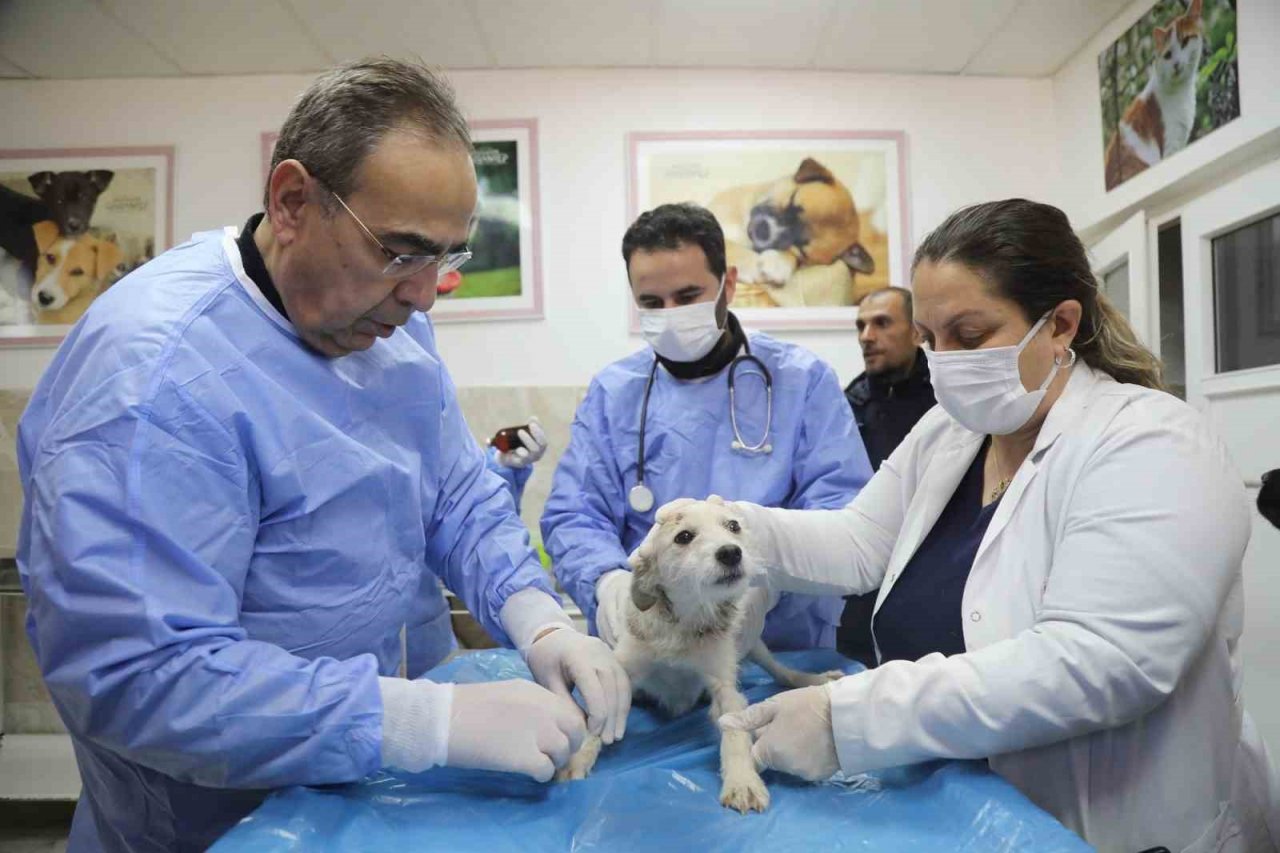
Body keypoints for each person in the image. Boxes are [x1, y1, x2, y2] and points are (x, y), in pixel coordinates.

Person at [16, 60, 629, 853]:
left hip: (381, 804)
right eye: (401, 251)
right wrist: (419, 720)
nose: (425, 294)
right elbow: (139, 675)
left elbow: (455, 493)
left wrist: (538, 620)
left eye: (446, 258)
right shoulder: (153, 376)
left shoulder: (388, 320)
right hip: (220, 826)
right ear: (292, 201)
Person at [716, 199, 1279, 852]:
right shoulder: (953, 433)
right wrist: (726, 530)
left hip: (1110, 830)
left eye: (969, 334)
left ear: (1060, 324)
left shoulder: (1153, 444)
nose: (944, 359)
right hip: (963, 815)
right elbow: (858, 542)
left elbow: (1099, 662)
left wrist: (848, 718)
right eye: (930, 338)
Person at [542, 202, 872, 656]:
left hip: (782, 648)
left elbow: (841, 513)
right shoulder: (614, 393)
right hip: (652, 653)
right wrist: (607, 585)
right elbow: (575, 515)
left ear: (728, 285)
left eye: (688, 296)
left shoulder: (801, 380)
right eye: (652, 304)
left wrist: (767, 586)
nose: (670, 313)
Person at [405, 418, 549, 678]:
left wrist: (543, 624)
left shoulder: (420, 405)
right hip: (339, 667)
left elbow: (465, 517)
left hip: (427, 649)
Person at [839, 286, 936, 665]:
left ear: (916, 331)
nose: (866, 336)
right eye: (860, 326)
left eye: (881, 323)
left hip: (937, 563)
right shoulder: (847, 405)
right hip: (867, 571)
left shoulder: (948, 399)